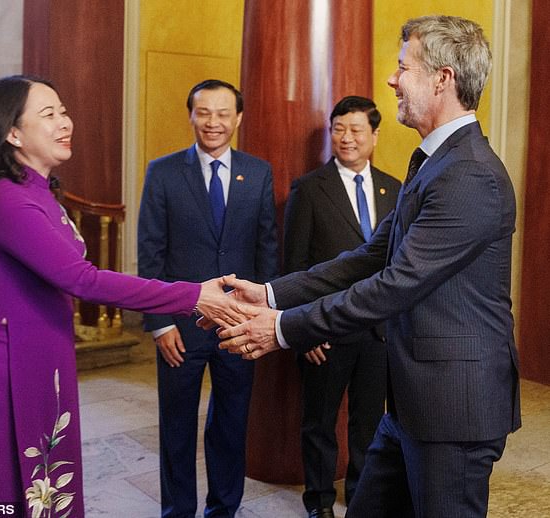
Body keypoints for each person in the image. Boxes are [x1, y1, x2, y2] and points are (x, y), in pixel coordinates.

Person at [217, 15, 521, 518]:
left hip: (453, 411)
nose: (392, 80)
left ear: (442, 79)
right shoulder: (434, 162)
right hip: (411, 402)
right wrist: (271, 295)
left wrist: (284, 329)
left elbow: (394, 286)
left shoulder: (470, 175)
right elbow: (368, 258)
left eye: (403, 68)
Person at [0, 75, 233, 516]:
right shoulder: (6, 199)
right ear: (12, 132)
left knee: (45, 485)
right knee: (4, 493)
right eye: (49, 114)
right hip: (3, 366)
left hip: (38, 354)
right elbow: (84, 280)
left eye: (63, 111)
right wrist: (192, 295)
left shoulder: (38, 190)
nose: (66, 122)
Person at [138, 79, 278, 517]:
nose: (213, 123)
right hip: (179, 325)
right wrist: (159, 323)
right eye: (204, 113)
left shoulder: (258, 172)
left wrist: (262, 316)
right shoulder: (162, 172)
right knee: (176, 427)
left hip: (239, 324)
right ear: (191, 116)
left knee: (231, 423)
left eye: (223, 114)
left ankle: (224, 510)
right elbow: (150, 252)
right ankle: (176, 511)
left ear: (238, 118)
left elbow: (266, 249)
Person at [283, 96, 400, 517]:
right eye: (338, 129)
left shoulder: (396, 189)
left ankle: (361, 498)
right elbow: (295, 266)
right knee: (319, 423)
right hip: (326, 332)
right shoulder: (309, 189)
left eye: (355, 130)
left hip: (378, 333)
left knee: (368, 425)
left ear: (374, 135)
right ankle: (318, 503)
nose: (346, 138)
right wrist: (303, 329)